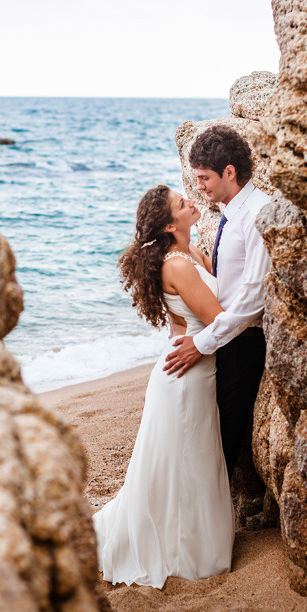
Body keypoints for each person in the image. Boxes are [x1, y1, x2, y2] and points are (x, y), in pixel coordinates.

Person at [93, 184, 234, 589]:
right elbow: (217, 320)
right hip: (184, 378)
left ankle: (187, 541)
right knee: (183, 465)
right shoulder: (177, 265)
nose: (191, 200)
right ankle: (182, 551)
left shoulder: (189, 253)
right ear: (171, 224)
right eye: (181, 202)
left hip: (189, 369)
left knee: (187, 464)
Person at [163, 125, 271, 479]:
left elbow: (252, 300)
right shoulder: (232, 211)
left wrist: (201, 343)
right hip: (225, 341)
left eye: (204, 177)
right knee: (206, 441)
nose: (198, 187)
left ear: (229, 172)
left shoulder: (257, 214)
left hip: (243, 345)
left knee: (220, 447)